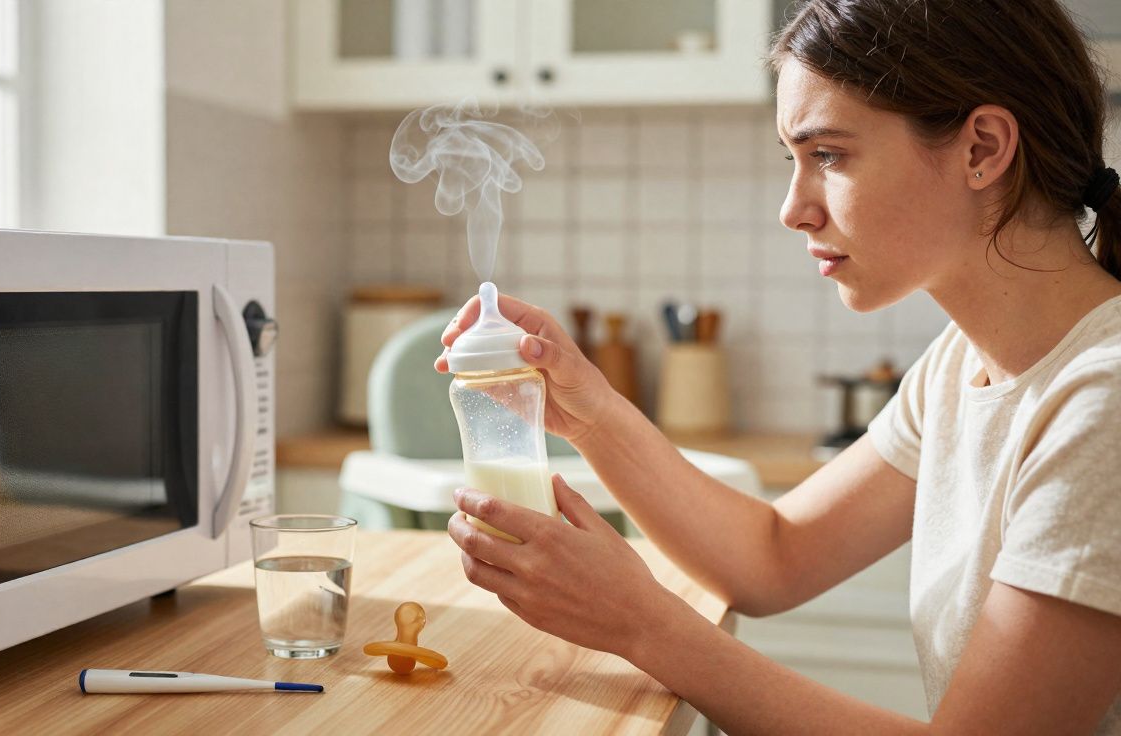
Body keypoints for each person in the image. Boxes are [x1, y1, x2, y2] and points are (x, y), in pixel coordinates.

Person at [435, 0, 1121, 732]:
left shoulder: (1101, 403)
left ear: (982, 148)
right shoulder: (962, 366)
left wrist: (642, 624)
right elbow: (774, 556)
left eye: (828, 155)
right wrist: (592, 411)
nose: (793, 208)